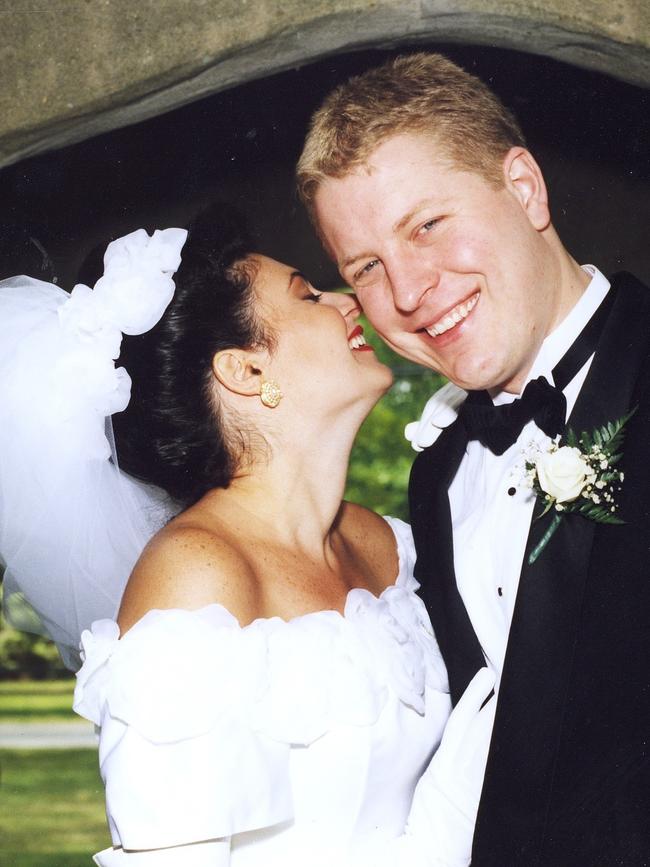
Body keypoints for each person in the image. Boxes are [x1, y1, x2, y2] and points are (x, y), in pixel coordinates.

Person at [0, 206, 496, 865]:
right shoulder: (195, 579)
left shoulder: (384, 541)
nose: (347, 301)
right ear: (247, 372)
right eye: (308, 294)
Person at [297, 51, 650, 865]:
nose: (411, 291)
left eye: (426, 225)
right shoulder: (440, 474)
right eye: (366, 268)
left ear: (524, 189)